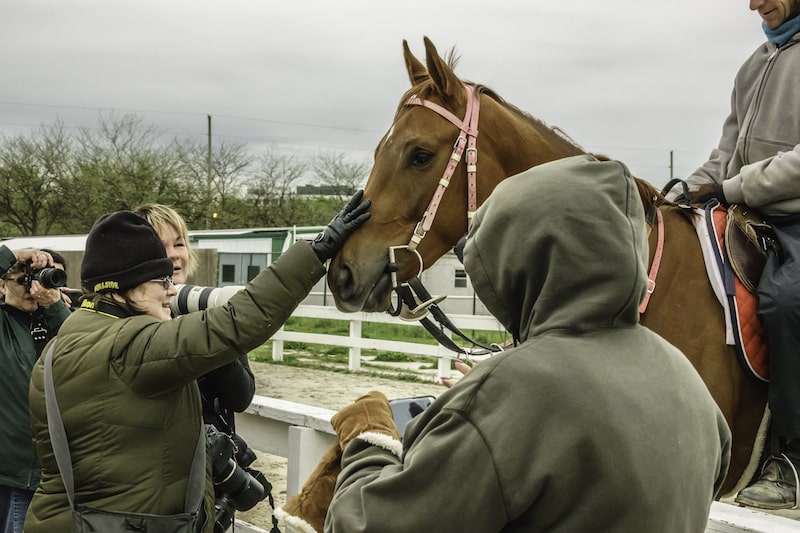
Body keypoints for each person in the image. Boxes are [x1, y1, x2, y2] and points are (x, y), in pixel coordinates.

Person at [278, 155, 731, 533]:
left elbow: (367, 526)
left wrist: (369, 437)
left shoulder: (516, 391)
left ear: (520, 260)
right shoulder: (684, 377)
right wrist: (501, 400)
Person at [24, 191, 370, 532]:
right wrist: (316, 252)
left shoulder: (62, 343)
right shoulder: (129, 347)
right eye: (159, 281)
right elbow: (237, 323)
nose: (167, 289)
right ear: (123, 288)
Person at [665, 0, 800, 510]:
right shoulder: (753, 63)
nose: (753, 4)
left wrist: (734, 185)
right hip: (749, 206)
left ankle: (792, 459)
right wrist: (686, 190)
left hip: (795, 215)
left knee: (787, 302)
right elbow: (727, 153)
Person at [135, 203, 258, 526]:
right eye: (162, 246)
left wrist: (213, 331)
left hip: (208, 481)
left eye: (179, 244)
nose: (175, 255)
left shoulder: (210, 311)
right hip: (153, 487)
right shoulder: (131, 321)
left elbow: (241, 397)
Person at [0, 247, 71, 533]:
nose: (33, 287)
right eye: (24, 279)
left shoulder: (61, 319)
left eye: (40, 278)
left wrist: (56, 308)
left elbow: (84, 357)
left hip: (54, 475)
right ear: (2, 284)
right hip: (11, 473)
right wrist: (12, 254)